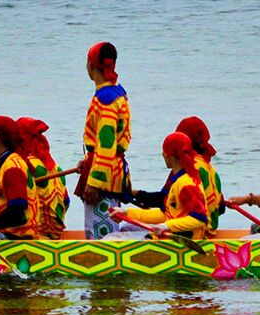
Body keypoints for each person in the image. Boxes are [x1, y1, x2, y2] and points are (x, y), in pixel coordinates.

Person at [117, 125, 225, 236]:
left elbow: (200, 218)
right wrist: (127, 213)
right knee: (126, 228)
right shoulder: (186, 176)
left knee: (123, 232)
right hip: (182, 233)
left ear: (167, 155)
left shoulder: (186, 183)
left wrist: (166, 226)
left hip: (187, 239)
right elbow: (165, 213)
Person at [74, 41, 133, 237]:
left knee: (100, 233)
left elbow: (107, 145)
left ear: (90, 66)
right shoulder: (117, 91)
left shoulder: (106, 100)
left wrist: (95, 182)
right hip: (109, 168)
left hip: (104, 176)